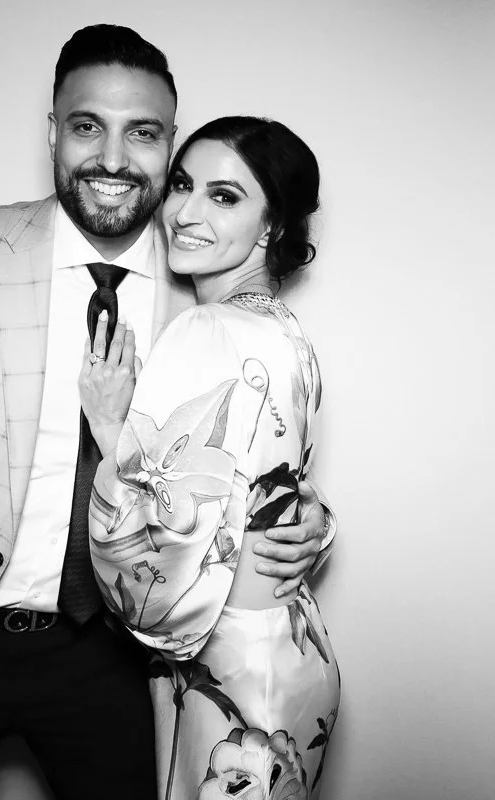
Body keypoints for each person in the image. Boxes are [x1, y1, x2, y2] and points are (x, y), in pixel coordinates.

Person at [0, 25, 333, 800]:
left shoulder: (204, 285)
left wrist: (305, 518)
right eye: (89, 126)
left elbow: (247, 452)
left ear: (169, 144)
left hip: (123, 663)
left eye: (146, 134)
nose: (116, 160)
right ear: (53, 133)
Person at [82, 116, 340, 800]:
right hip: (290, 648)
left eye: (224, 196)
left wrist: (113, 433)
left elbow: (164, 569)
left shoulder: (204, 328)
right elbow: (269, 486)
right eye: (183, 185)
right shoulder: (287, 332)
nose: (185, 213)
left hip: (225, 671)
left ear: (272, 226)